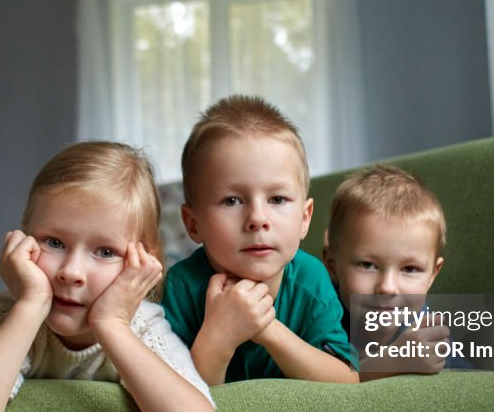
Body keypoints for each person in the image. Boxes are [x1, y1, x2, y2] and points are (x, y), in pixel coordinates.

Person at [0, 142, 221, 412]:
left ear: (143, 264)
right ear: (22, 242)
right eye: (53, 242)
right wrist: (29, 307)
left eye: (105, 252)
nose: (71, 271)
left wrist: (111, 325)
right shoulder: (6, 314)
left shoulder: (143, 328)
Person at [162, 95, 359, 386]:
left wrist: (267, 329)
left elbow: (346, 381)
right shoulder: (182, 286)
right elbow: (177, 403)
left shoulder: (311, 279)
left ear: (305, 218)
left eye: (277, 199)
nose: (257, 218)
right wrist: (219, 337)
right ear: (194, 224)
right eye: (231, 201)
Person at [323, 165, 470, 379]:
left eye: (410, 269)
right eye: (368, 265)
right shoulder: (320, 314)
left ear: (432, 275)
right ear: (332, 265)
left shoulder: (426, 334)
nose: (388, 287)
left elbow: (477, 391)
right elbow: (314, 382)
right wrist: (393, 360)